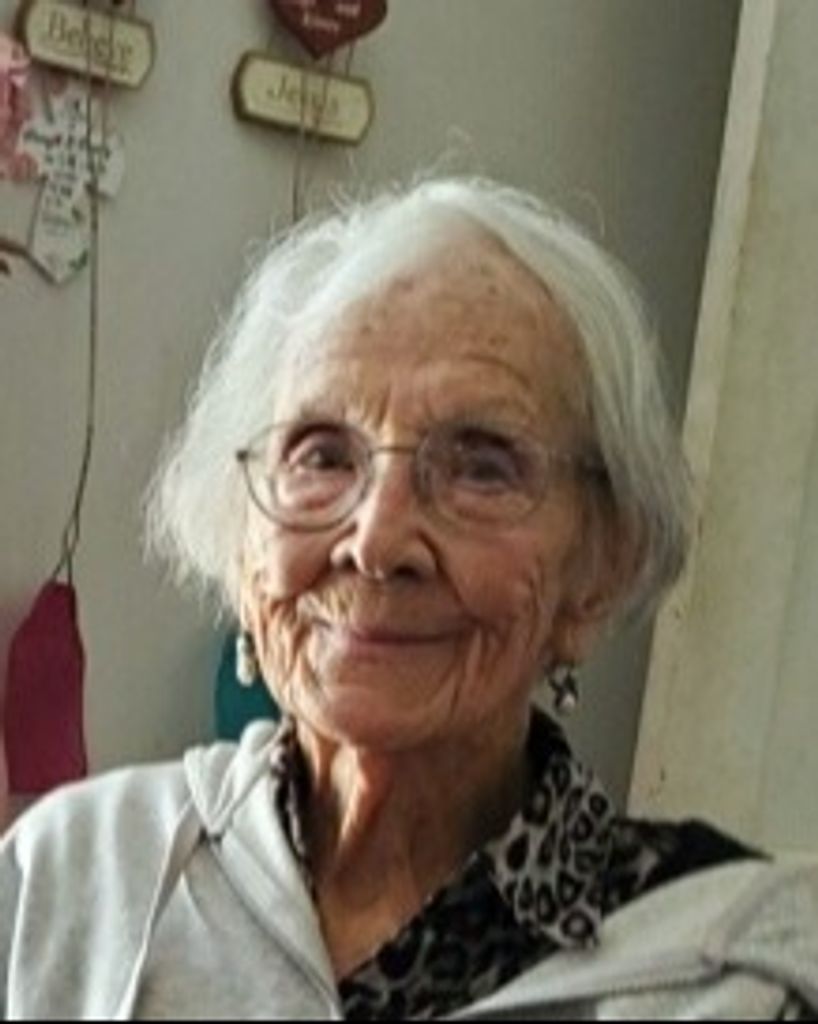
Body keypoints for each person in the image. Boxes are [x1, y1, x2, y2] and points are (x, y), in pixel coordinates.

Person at [2, 177, 816, 1020]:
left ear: (599, 569)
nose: (376, 542)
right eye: (322, 456)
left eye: (481, 467)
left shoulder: (737, 981)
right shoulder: (69, 881)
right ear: (244, 540)